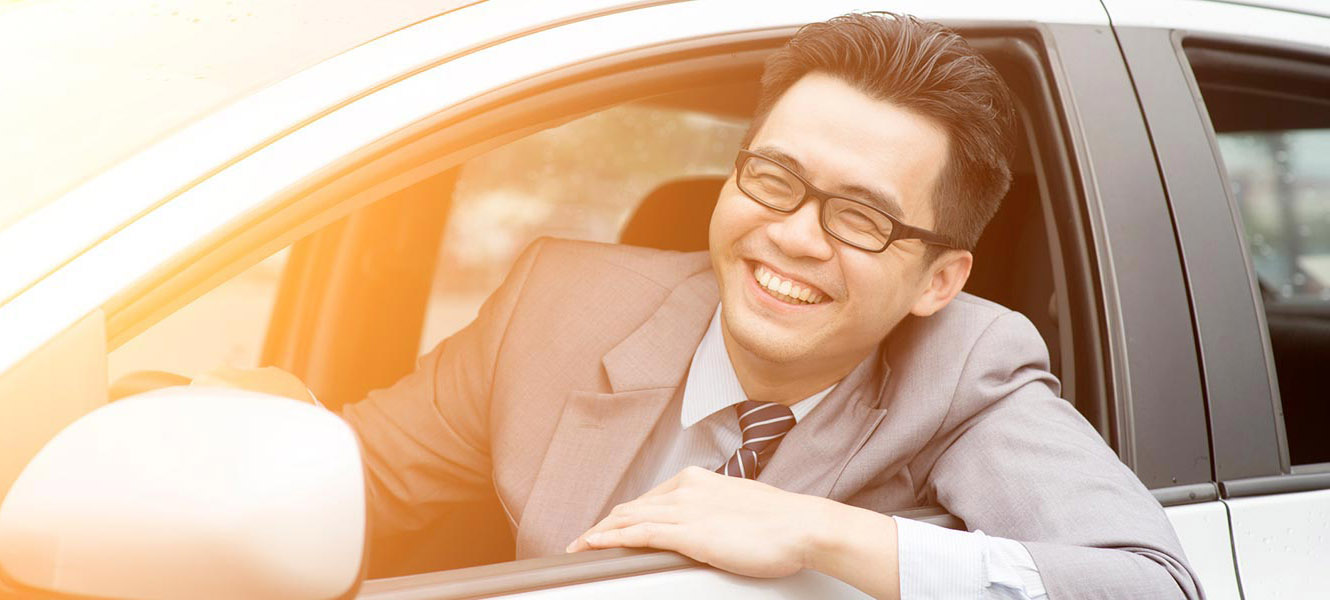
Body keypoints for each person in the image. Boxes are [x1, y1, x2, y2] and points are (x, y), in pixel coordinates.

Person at [342, 13, 1201, 599]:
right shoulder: (558, 305)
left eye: (861, 216)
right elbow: (360, 482)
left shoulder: (965, 366)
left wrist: (823, 538)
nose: (792, 236)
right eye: (775, 178)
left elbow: (1155, 586)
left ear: (939, 282)